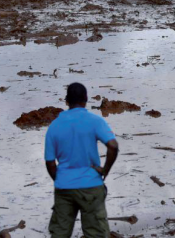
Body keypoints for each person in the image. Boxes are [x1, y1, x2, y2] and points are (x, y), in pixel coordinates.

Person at [45, 82, 120, 238]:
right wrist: (105, 170)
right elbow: (113, 146)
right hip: (91, 186)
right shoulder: (95, 121)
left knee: (59, 234)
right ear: (86, 99)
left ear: (66, 101)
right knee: (96, 234)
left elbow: (50, 163)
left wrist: (60, 180)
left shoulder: (54, 126)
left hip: (64, 187)